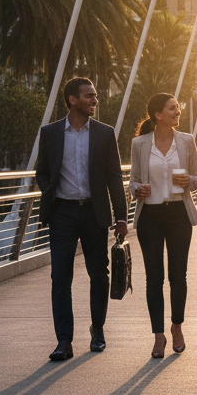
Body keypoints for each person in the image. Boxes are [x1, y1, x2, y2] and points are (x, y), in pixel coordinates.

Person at [35, 77, 128, 361]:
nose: (94, 100)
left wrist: (121, 217)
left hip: (93, 213)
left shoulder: (104, 133)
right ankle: (64, 340)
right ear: (72, 100)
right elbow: (42, 171)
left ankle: (97, 330)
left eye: (95, 96)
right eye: (89, 96)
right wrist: (49, 191)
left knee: (99, 275)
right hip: (62, 212)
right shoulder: (50, 132)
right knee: (60, 276)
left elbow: (114, 176)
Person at [130, 93, 197, 359]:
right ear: (158, 115)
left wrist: (189, 182)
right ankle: (158, 335)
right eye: (172, 108)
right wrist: (138, 189)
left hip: (178, 215)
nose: (178, 111)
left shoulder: (186, 141)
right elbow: (133, 181)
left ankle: (177, 326)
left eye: (178, 108)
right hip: (150, 215)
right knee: (153, 278)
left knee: (178, 276)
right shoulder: (139, 143)